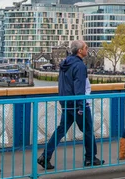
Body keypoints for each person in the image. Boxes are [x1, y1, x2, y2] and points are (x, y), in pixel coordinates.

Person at [38, 40, 104, 170]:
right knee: (89, 131)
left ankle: (45, 156)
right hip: (78, 104)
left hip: (66, 103)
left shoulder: (65, 64)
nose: (87, 49)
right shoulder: (79, 66)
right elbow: (79, 87)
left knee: (61, 130)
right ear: (80, 51)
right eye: (86, 47)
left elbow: (63, 85)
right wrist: (81, 106)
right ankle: (90, 158)